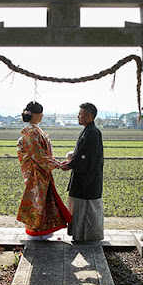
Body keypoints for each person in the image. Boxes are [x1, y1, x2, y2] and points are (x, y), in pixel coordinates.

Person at [16, 101, 72, 239]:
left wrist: (55, 163)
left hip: (41, 171)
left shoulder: (34, 130)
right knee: (38, 201)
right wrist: (57, 164)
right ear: (34, 114)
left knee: (43, 200)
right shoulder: (31, 132)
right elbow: (38, 155)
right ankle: (36, 231)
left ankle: (43, 230)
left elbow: (41, 155)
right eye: (40, 113)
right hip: (36, 172)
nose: (42, 115)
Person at [63, 102, 104, 241]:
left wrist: (70, 165)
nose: (78, 117)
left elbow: (85, 157)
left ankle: (88, 237)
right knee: (81, 210)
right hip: (85, 178)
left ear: (89, 115)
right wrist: (72, 162)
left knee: (87, 210)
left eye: (80, 114)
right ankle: (81, 236)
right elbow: (81, 154)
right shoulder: (88, 131)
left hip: (88, 180)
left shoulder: (93, 133)